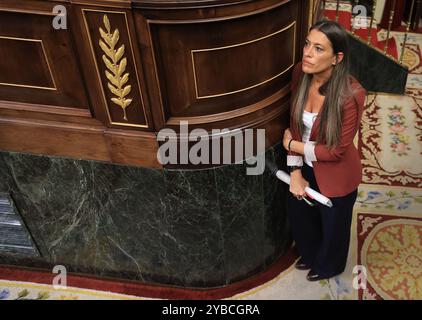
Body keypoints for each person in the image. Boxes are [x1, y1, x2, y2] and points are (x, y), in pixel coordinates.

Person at [282, 20, 366, 281]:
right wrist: (295, 170)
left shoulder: (351, 95)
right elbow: (294, 126)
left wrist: (292, 145)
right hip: (303, 163)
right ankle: (308, 256)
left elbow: (335, 151)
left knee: (334, 228)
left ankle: (329, 266)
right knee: (301, 217)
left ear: (336, 58)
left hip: (336, 173)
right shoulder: (300, 73)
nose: (307, 53)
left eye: (319, 49)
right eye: (307, 44)